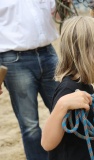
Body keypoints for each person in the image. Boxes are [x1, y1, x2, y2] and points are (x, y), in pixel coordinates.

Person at [41, 16, 94, 160]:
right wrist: (62, 105)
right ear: (92, 51)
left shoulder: (83, 85)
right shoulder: (68, 90)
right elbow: (47, 143)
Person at [0, 0, 59, 159]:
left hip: (48, 53)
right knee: (30, 125)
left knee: (65, 111)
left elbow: (58, 12)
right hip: (14, 60)